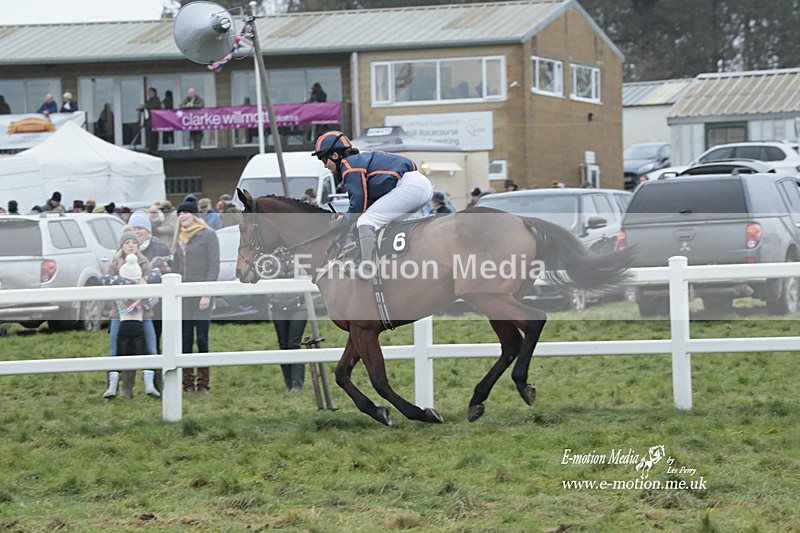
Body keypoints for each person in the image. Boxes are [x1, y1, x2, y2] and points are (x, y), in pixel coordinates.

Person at [312, 130, 433, 280]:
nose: (325, 166)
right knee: (384, 224)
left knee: (366, 221)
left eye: (324, 160)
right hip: (418, 185)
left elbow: (358, 207)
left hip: (410, 187)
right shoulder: (358, 161)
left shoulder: (349, 165)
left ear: (335, 155)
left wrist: (341, 222)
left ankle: (367, 267)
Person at [101, 231, 161, 399]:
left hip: (144, 314)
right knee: (116, 350)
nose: (130, 245)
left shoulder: (146, 265)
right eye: (127, 242)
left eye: (133, 243)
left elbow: (155, 290)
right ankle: (115, 388)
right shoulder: (114, 266)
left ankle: (154, 387)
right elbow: (107, 287)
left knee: (151, 348)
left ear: (137, 246)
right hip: (119, 314)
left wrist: (142, 302)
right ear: (122, 246)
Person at [171, 196, 219, 395]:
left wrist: (206, 294)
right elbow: (175, 269)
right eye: (180, 213)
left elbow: (213, 267)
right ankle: (188, 383)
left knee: (202, 338)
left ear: (194, 215)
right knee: (185, 338)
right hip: (183, 295)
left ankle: (204, 384)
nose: (183, 216)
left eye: (186, 212)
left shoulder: (208, 236)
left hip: (201, 294)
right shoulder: (177, 240)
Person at [129, 210, 171, 381]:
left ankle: (156, 384)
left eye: (140, 228)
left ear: (148, 230)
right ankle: (127, 386)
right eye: (134, 228)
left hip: (155, 306)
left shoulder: (161, 247)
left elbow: (174, 269)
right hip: (131, 306)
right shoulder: (127, 246)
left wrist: (167, 270)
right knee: (129, 345)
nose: (137, 231)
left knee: (154, 343)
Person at [138, 87, 161, 152]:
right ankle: (151, 147)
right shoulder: (150, 100)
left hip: (154, 120)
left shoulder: (156, 99)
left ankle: (154, 148)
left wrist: (145, 106)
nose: (148, 93)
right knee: (150, 135)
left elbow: (155, 106)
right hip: (149, 121)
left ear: (153, 92)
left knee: (154, 135)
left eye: (149, 92)